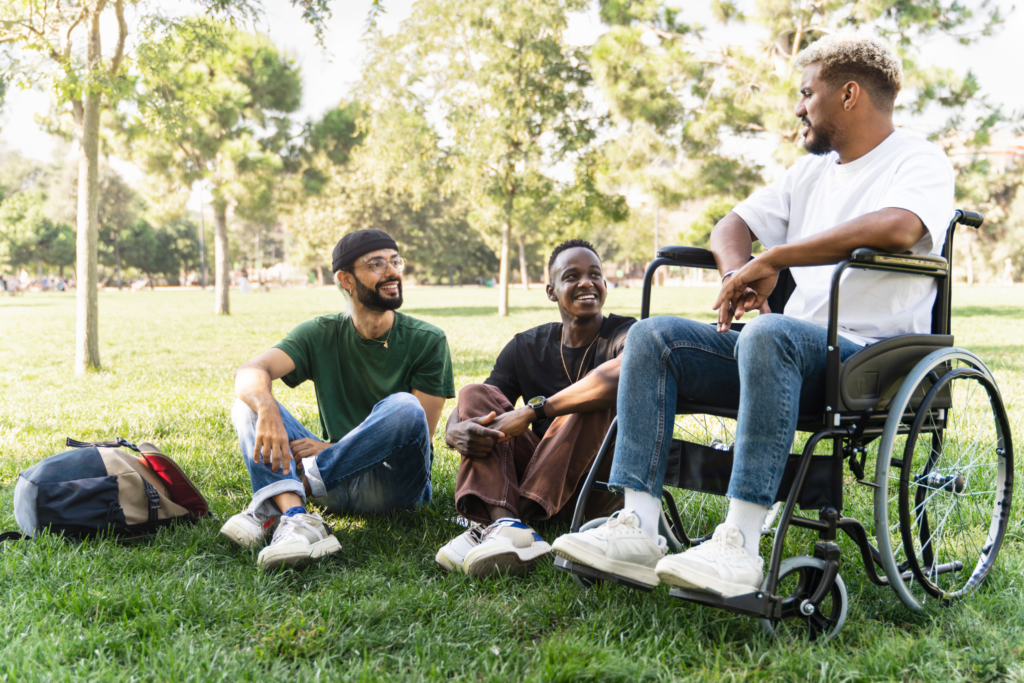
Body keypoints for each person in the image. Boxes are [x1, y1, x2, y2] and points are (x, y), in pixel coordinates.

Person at [552, 33, 955, 594]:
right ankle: (638, 529)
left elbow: (900, 227)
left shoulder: (918, 159)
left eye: (806, 92)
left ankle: (738, 547)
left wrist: (777, 257)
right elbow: (731, 225)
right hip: (790, 347)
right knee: (652, 337)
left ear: (849, 95)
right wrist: (735, 274)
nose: (797, 107)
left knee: (769, 333)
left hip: (873, 358)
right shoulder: (810, 173)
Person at [221, 228, 456, 570]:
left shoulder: (428, 340)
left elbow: (420, 431)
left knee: (405, 406)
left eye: (395, 261)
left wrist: (332, 450)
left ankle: (274, 502)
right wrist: (267, 406)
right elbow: (250, 370)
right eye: (376, 264)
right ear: (346, 279)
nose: (392, 272)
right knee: (248, 401)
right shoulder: (321, 332)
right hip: (332, 485)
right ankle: (298, 519)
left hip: (393, 487)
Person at [436, 239, 635, 577]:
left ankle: (500, 523)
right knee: (474, 392)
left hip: (596, 486)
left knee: (590, 397)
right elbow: (478, 402)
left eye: (596, 275)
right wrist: (452, 430)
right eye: (572, 276)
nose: (587, 283)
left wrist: (534, 412)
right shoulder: (526, 345)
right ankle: (507, 526)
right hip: (540, 476)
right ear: (551, 291)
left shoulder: (626, 333)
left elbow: (621, 377)